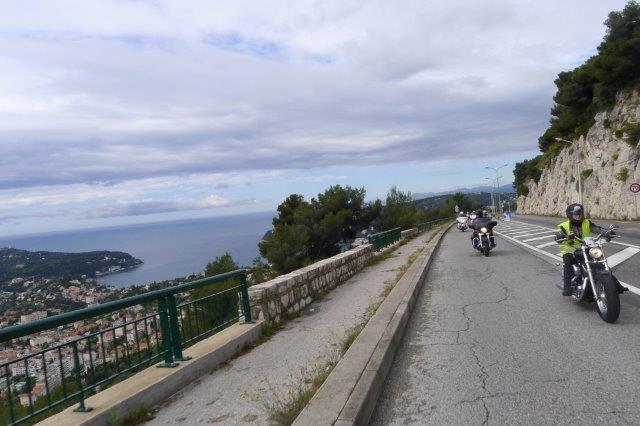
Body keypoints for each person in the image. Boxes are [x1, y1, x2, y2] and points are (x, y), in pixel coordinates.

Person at [554, 203, 615, 296]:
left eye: (580, 213)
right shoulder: (564, 225)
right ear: (570, 215)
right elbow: (559, 235)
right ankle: (567, 287)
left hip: (586, 248)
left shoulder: (587, 222)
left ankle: (613, 285)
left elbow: (597, 229)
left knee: (600, 263)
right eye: (576, 214)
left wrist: (606, 232)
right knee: (568, 263)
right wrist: (560, 236)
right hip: (570, 250)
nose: (578, 216)